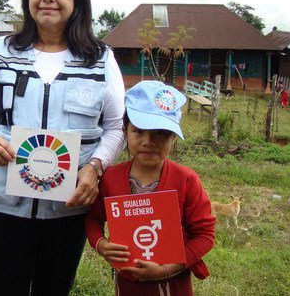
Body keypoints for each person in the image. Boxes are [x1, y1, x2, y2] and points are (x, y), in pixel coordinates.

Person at [0, 0, 125, 294]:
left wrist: (94, 168)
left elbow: (115, 126)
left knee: (54, 287)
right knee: (0, 287)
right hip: (3, 202)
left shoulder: (100, 59)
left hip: (67, 208)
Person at [85, 81, 215, 296]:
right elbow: (93, 219)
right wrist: (101, 244)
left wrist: (167, 269)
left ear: (174, 137)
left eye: (161, 133)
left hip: (174, 284)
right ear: (124, 131)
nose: (148, 141)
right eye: (138, 131)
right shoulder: (110, 178)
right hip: (127, 283)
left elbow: (205, 235)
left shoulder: (186, 180)